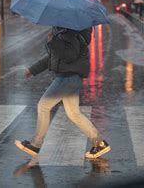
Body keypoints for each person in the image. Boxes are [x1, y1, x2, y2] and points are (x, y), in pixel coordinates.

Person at [15, 27, 111, 159]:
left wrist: (52, 42)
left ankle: (35, 145)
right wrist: (33, 69)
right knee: (74, 114)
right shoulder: (64, 32)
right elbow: (54, 56)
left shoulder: (70, 33)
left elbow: (70, 55)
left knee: (43, 106)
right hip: (71, 78)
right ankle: (99, 143)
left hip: (67, 78)